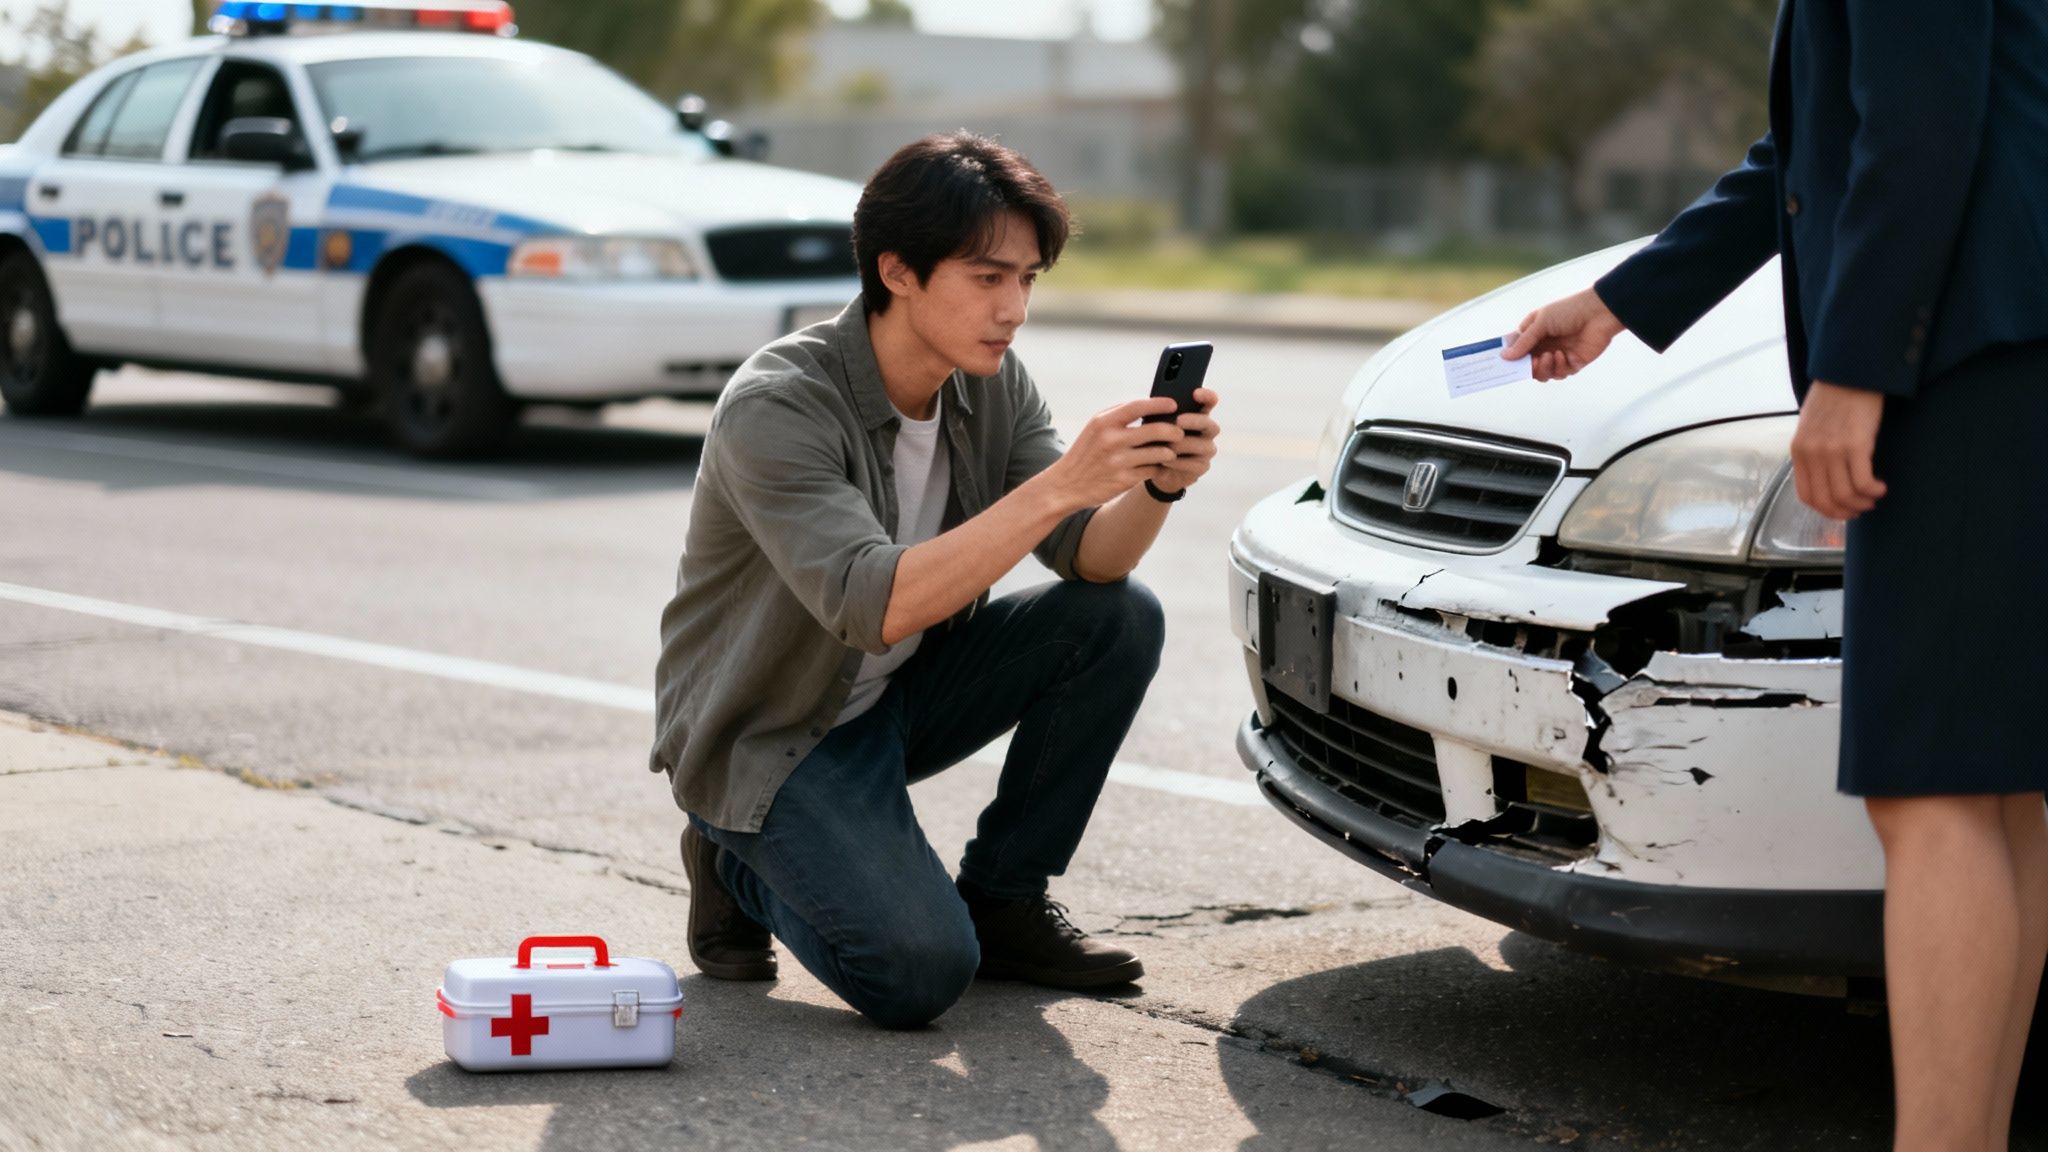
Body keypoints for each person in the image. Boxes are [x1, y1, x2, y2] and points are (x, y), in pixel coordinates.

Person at [1505, 3, 2048, 1147]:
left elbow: (1917, 130)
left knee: (1936, 789)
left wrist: (1852, 378)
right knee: (1988, 787)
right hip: (1996, 355)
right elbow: (1806, 149)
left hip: (1963, 366)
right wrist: (1618, 300)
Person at [648, 132, 1222, 1029]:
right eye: (987, 278)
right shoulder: (779, 403)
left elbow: (1091, 557)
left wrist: (1156, 483)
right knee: (917, 976)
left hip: (896, 701)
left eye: (1027, 280)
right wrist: (1066, 479)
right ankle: (734, 862)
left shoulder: (985, 382)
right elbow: (872, 604)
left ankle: (1004, 900)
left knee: (1115, 617)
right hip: (768, 732)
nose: (1015, 308)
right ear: (899, 271)